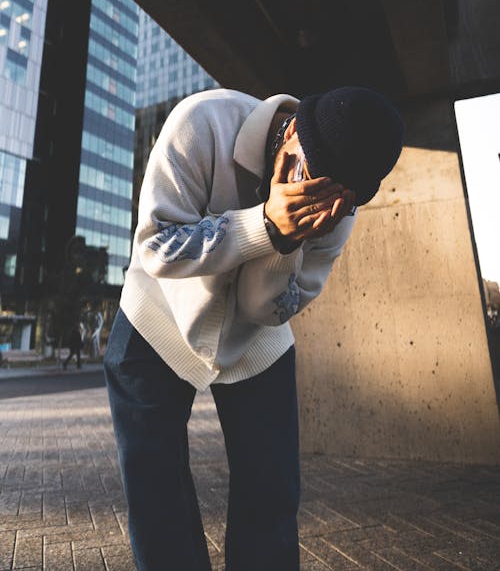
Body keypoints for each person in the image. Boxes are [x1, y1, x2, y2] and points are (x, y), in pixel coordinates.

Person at [104, 86, 403, 571]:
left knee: (271, 493)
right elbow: (155, 244)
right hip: (155, 320)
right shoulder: (203, 122)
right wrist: (260, 224)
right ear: (290, 136)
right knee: (155, 490)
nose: (323, 208)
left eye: (343, 203)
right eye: (314, 179)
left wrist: (283, 240)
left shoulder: (335, 215)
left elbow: (264, 310)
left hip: (257, 345)